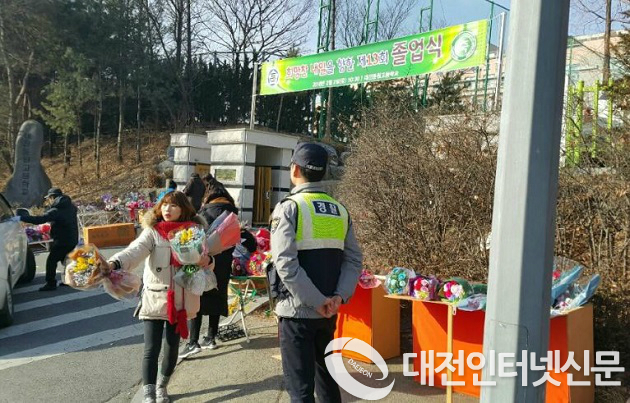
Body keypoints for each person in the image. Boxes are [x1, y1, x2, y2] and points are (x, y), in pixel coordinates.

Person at [270, 143, 363, 403]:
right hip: (329, 311)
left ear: (295, 169)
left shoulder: (289, 207)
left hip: (297, 312)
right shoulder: (340, 210)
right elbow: (354, 259)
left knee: (300, 390)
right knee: (328, 382)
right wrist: (338, 297)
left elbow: (285, 263)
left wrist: (316, 301)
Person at [104, 191, 213, 403]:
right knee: (151, 348)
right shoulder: (153, 232)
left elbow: (207, 259)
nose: (167, 209)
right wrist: (113, 263)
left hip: (181, 299)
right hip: (156, 296)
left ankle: (162, 386)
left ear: (183, 209)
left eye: (173, 205)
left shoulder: (194, 231)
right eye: (164, 204)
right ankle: (148, 393)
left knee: (172, 348)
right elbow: (134, 251)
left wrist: (206, 261)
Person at [180, 180, 237, 357]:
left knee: (198, 298)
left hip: (204, 262)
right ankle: (211, 338)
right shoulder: (233, 213)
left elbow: (196, 238)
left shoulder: (204, 212)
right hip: (224, 264)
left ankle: (193, 342)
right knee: (217, 298)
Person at [17, 187, 78, 291]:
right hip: (72, 238)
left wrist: (21, 218)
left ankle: (51, 283)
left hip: (62, 241)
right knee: (66, 260)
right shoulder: (71, 207)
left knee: (51, 261)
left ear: (52, 197)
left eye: (49, 198)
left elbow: (40, 219)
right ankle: (69, 280)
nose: (48, 201)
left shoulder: (56, 210)